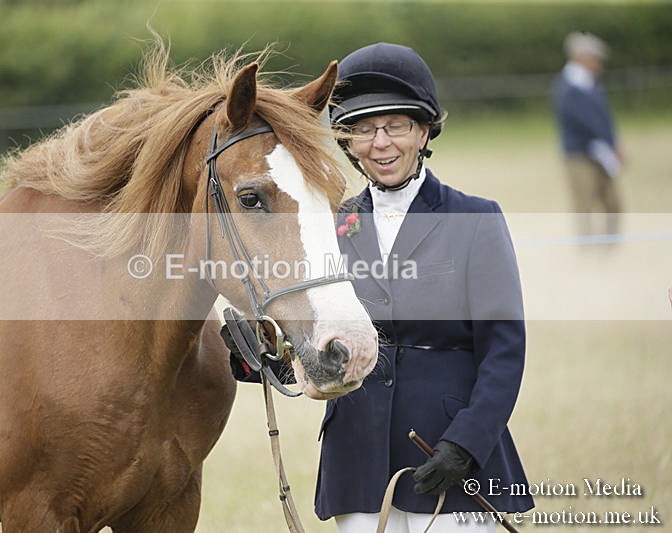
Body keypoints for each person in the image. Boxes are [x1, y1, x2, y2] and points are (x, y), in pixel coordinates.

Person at [226, 42, 534, 532]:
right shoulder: (331, 221)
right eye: (364, 130)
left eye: (396, 126)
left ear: (424, 130)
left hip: (448, 452)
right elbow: (311, 337)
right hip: (358, 459)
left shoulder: (475, 218)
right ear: (347, 142)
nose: (381, 143)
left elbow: (504, 351)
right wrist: (257, 354)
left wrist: (468, 443)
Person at [551, 31, 623, 237]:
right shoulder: (567, 86)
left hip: (601, 151)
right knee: (584, 204)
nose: (598, 63)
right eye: (594, 58)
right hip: (578, 153)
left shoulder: (590, 84)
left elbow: (604, 118)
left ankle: (609, 247)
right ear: (580, 57)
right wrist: (607, 141)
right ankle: (586, 249)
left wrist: (612, 143)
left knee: (612, 202)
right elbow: (583, 120)